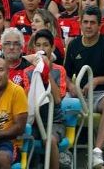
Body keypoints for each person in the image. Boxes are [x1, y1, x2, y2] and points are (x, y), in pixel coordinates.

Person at [64, 5, 104, 166]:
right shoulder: (73, 45)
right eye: (85, 22)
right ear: (80, 23)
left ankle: (97, 151)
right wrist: (71, 86)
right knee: (59, 101)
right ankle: (64, 149)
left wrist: (97, 80)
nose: (89, 26)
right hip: (79, 96)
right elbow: (65, 75)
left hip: (101, 94)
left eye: (92, 22)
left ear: (99, 25)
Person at [22, 30, 68, 169]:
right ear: (34, 49)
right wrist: (38, 71)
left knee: (50, 140)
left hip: (55, 121)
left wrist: (46, 71)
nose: (42, 49)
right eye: (38, 45)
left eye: (46, 45)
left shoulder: (59, 70)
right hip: (35, 121)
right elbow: (29, 97)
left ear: (52, 48)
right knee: (23, 137)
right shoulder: (27, 71)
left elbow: (58, 99)